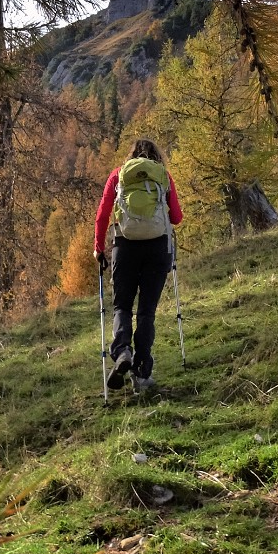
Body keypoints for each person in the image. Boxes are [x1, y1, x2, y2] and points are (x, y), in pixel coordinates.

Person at [93, 138, 183, 392]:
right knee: (146, 310)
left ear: (130, 156)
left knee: (122, 304)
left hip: (125, 246)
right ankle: (142, 373)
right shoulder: (163, 176)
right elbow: (176, 216)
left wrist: (99, 248)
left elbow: (102, 215)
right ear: (157, 156)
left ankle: (122, 352)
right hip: (157, 248)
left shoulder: (118, 176)